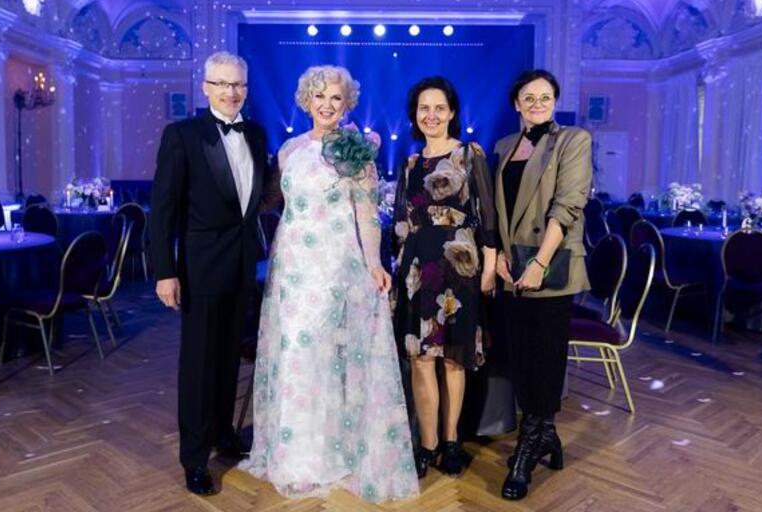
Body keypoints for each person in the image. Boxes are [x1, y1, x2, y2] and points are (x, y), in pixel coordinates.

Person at [238, 65, 418, 502]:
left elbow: (367, 213)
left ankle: (331, 451)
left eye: (336, 98)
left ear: (347, 103)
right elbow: (272, 202)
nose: (327, 104)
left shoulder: (356, 151)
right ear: (307, 100)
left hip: (336, 265)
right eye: (319, 96)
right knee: (295, 352)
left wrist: (374, 263)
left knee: (328, 355)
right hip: (292, 266)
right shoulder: (290, 150)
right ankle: (295, 453)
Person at [150, 52, 271, 496]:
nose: (230, 92)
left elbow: (258, 197)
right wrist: (165, 271)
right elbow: (162, 210)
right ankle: (195, 458)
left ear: (246, 88)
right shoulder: (181, 134)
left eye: (237, 84)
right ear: (205, 88)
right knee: (199, 365)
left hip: (242, 266)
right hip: (199, 269)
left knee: (227, 357)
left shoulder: (255, 133)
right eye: (221, 84)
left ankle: (223, 432)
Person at [391, 76, 497, 478]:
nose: (431, 115)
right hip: (417, 270)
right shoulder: (410, 164)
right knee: (421, 360)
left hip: (459, 265)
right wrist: (399, 271)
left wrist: (490, 265)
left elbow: (488, 216)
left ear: (452, 112)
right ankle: (428, 444)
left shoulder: (470, 154)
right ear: (415, 115)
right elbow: (401, 222)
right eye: (424, 108)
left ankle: (452, 442)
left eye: (439, 107)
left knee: (454, 358)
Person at [493, 69, 592, 500]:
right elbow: (499, 208)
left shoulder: (573, 139)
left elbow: (567, 205)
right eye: (529, 98)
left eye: (545, 97)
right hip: (512, 267)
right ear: (516, 103)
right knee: (520, 356)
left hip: (551, 263)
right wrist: (499, 254)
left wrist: (539, 262)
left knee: (546, 356)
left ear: (555, 101)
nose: (537, 104)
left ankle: (528, 446)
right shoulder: (504, 146)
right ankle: (545, 434)